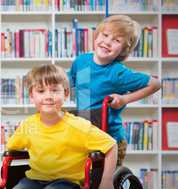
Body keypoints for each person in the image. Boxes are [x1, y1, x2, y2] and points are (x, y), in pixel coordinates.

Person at [0, 64, 117, 189]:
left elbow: (111, 146)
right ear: (31, 96)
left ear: (66, 94)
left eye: (54, 90)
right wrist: (0, 178)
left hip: (66, 183)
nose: (48, 96)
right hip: (33, 181)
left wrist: (107, 182)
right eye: (41, 91)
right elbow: (10, 151)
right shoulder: (28, 125)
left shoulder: (78, 126)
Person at [68, 15, 161, 166]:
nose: (107, 42)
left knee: (102, 184)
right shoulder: (81, 61)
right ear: (97, 34)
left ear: (124, 50)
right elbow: (68, 81)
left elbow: (155, 84)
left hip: (109, 140)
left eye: (116, 40)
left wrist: (124, 99)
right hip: (85, 134)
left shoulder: (118, 73)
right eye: (105, 35)